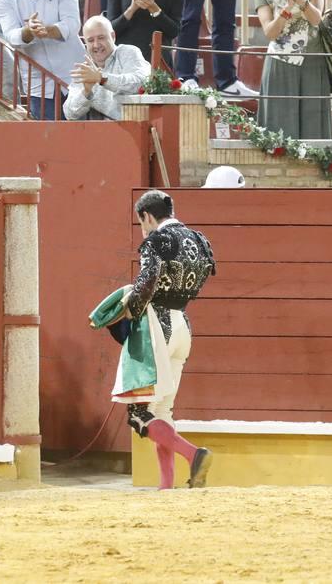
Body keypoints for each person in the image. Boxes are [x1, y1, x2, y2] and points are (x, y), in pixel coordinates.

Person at [124, 189, 216, 489]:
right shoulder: (199, 241)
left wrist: (128, 310)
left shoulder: (156, 241)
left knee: (139, 413)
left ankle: (193, 454)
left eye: (142, 223)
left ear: (147, 216)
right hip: (182, 325)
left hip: (157, 325)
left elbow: (147, 281)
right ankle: (167, 486)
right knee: (162, 410)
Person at [253, 0, 330, 138]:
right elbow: (270, 32)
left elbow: (316, 19)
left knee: (314, 128)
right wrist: (287, 8)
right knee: (279, 130)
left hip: (313, 61)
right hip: (280, 63)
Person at [0, 0, 85, 118]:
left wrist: (47, 30)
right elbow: (10, 36)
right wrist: (28, 31)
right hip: (38, 83)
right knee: (46, 142)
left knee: (82, 138)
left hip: (74, 76)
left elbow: (73, 24)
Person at [64, 15, 150, 120]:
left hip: (137, 127)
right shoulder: (85, 70)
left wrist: (101, 78)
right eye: (90, 40)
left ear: (113, 36)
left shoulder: (128, 52)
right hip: (104, 132)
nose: (96, 45)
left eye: (101, 38)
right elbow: (69, 114)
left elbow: (141, 82)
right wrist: (86, 92)